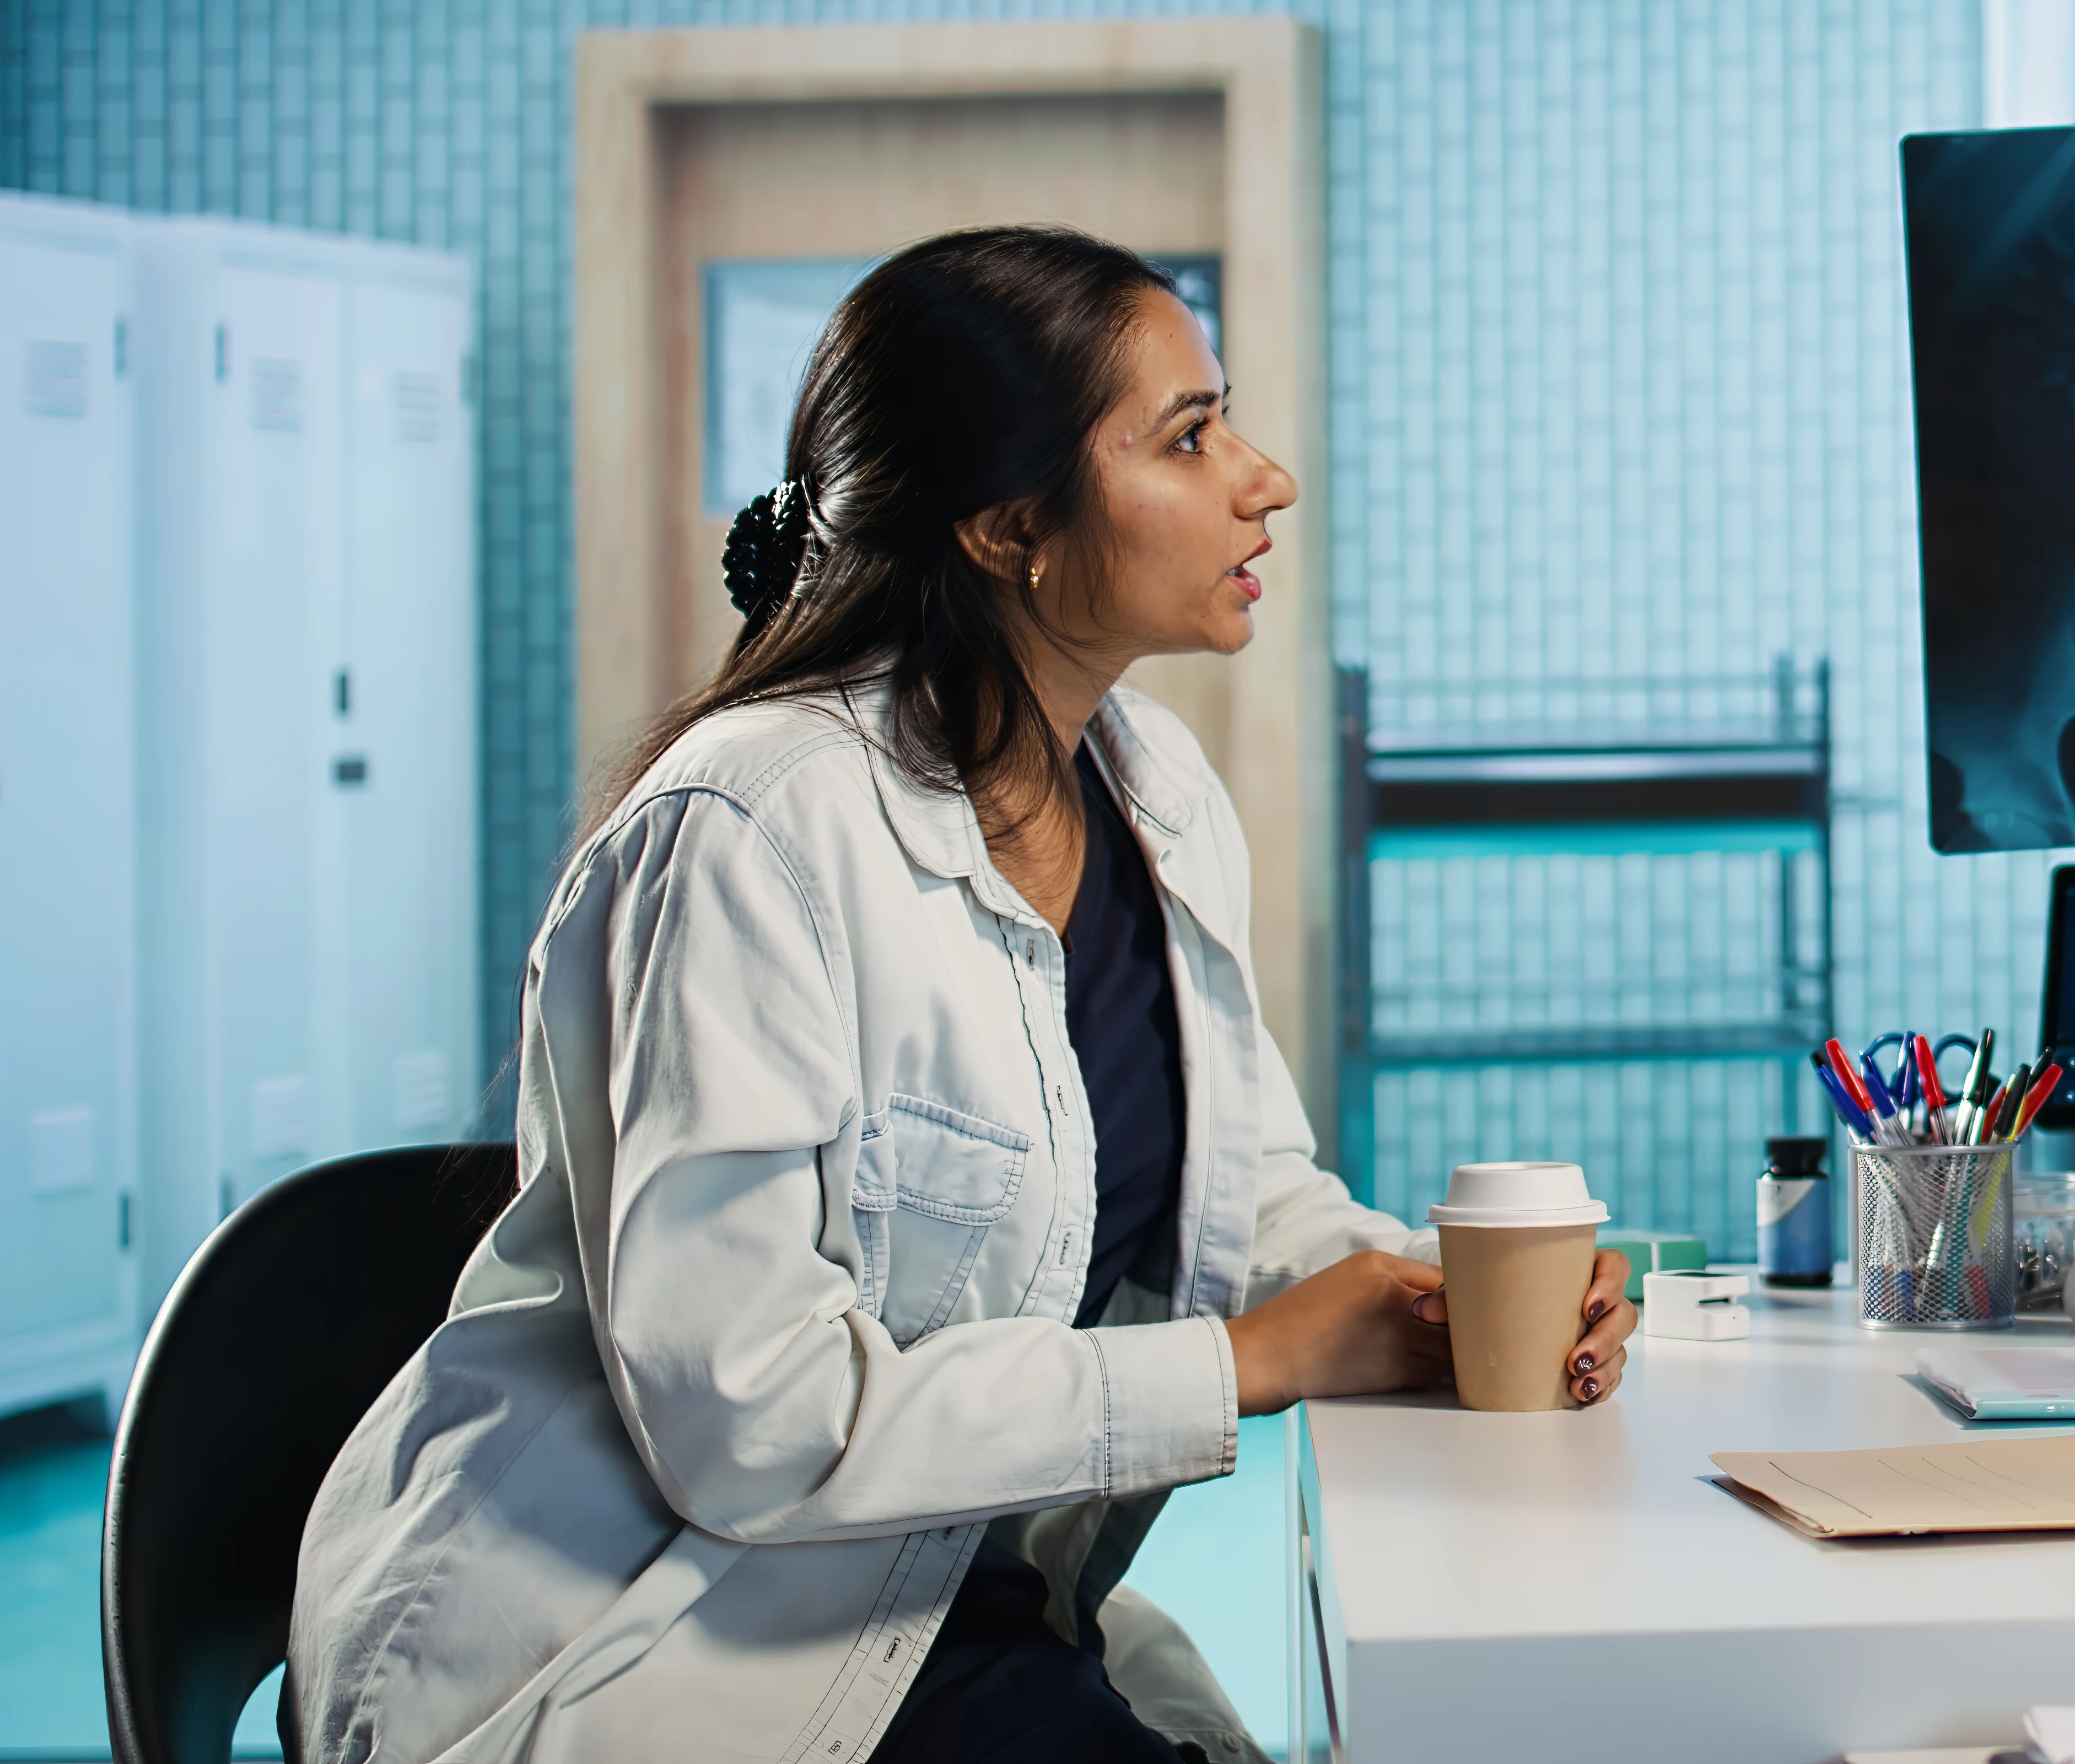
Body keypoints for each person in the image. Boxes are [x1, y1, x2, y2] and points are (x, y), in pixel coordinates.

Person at [290, 226, 1637, 1763]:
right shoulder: (754, 827)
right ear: (1010, 528)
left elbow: (1237, 1191)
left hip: (945, 1594)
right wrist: (1247, 1364)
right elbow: (747, 1417)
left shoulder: (1155, 792)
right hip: (649, 1635)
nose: (1265, 479)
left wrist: (1437, 1296)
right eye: (1191, 438)